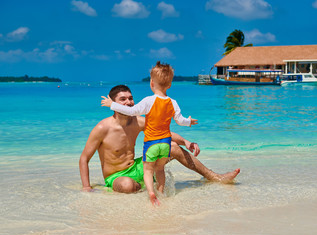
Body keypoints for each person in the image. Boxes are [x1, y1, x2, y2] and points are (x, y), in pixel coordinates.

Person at [79, 85, 240, 200]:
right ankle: (147, 185)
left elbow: (165, 133)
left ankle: (215, 177)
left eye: (131, 98)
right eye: (123, 99)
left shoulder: (137, 121)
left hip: (137, 166)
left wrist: (186, 142)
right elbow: (84, 158)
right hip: (117, 176)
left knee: (173, 147)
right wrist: (87, 187)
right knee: (128, 186)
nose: (129, 102)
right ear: (113, 104)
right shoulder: (102, 128)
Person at [101, 62, 197, 205]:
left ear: (151, 83)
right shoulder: (173, 103)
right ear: (170, 85)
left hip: (152, 144)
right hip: (165, 144)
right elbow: (180, 121)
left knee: (148, 171)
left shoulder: (149, 101)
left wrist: (112, 105)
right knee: (160, 170)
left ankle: (152, 193)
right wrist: (189, 122)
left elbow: (131, 111)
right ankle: (162, 191)